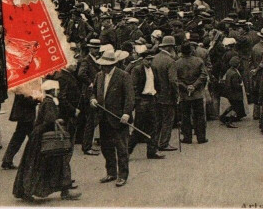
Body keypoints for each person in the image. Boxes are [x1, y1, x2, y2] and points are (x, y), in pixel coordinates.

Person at [13, 80, 80, 201]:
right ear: (53, 90)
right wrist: (57, 120)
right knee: (58, 162)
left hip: (38, 136)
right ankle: (64, 191)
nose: (58, 92)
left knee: (37, 164)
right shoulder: (50, 102)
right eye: (57, 90)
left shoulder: (46, 101)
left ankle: (28, 191)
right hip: (45, 137)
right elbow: (49, 120)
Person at [90, 49, 135, 187]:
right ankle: (111, 173)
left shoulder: (123, 76)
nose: (102, 67)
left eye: (105, 65)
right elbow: (92, 92)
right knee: (106, 148)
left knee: (121, 148)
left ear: (111, 64)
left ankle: (122, 175)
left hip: (119, 119)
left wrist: (126, 113)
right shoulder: (99, 76)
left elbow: (130, 97)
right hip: (103, 118)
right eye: (101, 65)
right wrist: (92, 99)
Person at [129, 48, 164, 159]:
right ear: (142, 59)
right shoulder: (137, 70)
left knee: (154, 126)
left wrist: (157, 95)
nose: (150, 62)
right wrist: (137, 100)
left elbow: (158, 83)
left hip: (152, 98)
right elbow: (134, 87)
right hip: (142, 100)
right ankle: (127, 151)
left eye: (151, 59)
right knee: (139, 127)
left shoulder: (154, 69)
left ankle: (152, 151)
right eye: (148, 60)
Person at [175, 40, 208, 145]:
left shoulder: (177, 63)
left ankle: (187, 137)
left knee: (185, 116)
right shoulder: (198, 61)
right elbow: (203, 75)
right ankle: (201, 137)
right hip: (197, 93)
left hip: (184, 94)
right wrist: (194, 86)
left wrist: (186, 87)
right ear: (191, 50)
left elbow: (176, 79)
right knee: (199, 116)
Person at [151, 35, 179, 152]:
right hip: (167, 95)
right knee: (168, 120)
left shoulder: (155, 58)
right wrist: (176, 95)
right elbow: (173, 80)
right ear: (169, 47)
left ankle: (155, 141)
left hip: (156, 94)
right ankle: (164, 143)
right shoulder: (170, 61)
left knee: (157, 120)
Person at [1, 93, 38, 170]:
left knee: (18, 137)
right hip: (26, 115)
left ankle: (7, 160)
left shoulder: (22, 83)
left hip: (23, 115)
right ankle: (36, 162)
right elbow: (27, 100)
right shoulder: (24, 86)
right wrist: (37, 99)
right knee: (34, 138)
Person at [219, 55, 246, 128]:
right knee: (235, 108)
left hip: (230, 93)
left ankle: (222, 116)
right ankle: (230, 121)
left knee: (231, 106)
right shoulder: (235, 73)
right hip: (235, 94)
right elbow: (235, 85)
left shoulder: (229, 71)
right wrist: (240, 85)